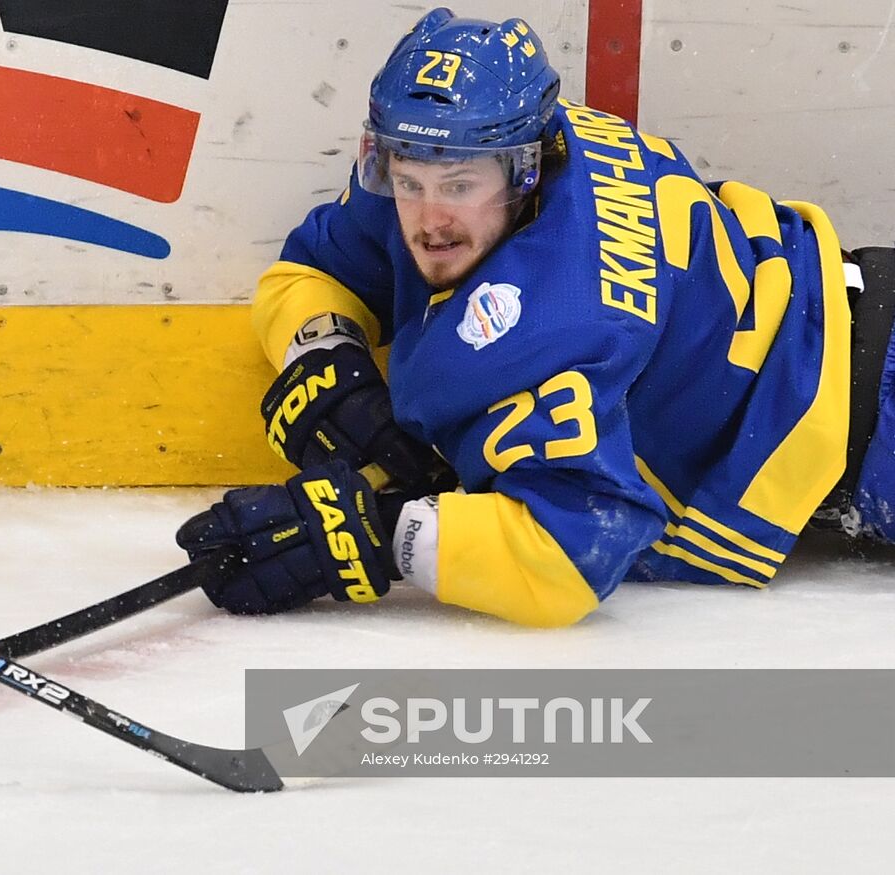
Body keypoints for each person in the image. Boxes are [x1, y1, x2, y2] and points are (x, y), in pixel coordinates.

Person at [176, 7, 895, 627]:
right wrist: (326, 357)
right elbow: (311, 271)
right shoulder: (488, 143)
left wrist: (381, 535)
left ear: (523, 169)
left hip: (876, 427)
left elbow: (574, 552)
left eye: (459, 186)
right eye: (408, 180)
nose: (429, 220)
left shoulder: (560, 322)